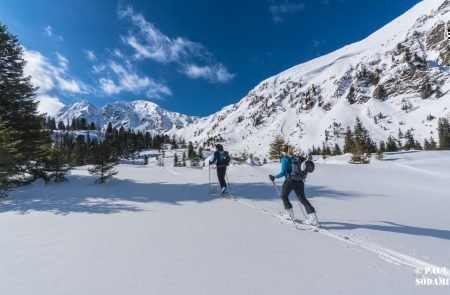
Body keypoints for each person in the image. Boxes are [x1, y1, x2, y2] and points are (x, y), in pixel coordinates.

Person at [269, 145, 319, 226]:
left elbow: (283, 172)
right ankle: (313, 218)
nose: (281, 151)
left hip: (290, 181)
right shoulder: (297, 158)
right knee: (302, 199)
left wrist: (274, 177)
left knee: (284, 196)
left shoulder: (285, 159)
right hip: (300, 181)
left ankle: (289, 214)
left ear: (284, 151)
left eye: (282, 150)